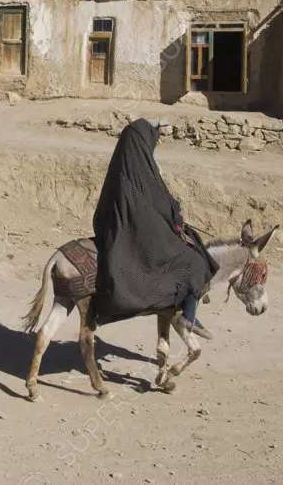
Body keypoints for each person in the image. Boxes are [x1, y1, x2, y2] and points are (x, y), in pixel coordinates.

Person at [88, 118, 217, 337]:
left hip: (125, 226)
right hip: (138, 230)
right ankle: (187, 315)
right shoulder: (141, 167)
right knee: (194, 259)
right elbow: (157, 198)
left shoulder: (123, 164)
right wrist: (176, 212)